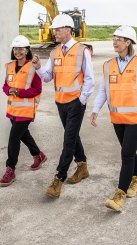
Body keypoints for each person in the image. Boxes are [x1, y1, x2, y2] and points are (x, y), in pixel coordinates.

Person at [90, 25, 137, 211]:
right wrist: (95, 109)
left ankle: (119, 194)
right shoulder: (108, 65)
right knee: (129, 151)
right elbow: (104, 90)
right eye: (114, 38)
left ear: (128, 42)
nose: (115, 42)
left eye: (119, 39)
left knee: (126, 154)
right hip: (117, 118)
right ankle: (136, 178)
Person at [32, 14, 94, 198]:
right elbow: (47, 77)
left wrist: (81, 100)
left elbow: (90, 79)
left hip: (76, 102)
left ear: (68, 30)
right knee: (72, 135)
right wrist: (37, 67)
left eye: (57, 30)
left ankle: (59, 178)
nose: (55, 33)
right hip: (60, 102)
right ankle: (82, 166)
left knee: (68, 140)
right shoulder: (54, 52)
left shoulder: (82, 51)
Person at [0, 35, 47, 187]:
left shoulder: (33, 67)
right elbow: (5, 86)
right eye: (15, 49)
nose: (18, 52)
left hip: (25, 111)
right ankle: (38, 155)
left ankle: (10, 168)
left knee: (13, 138)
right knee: (23, 135)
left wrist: (19, 92)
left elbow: (37, 89)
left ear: (27, 51)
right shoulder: (10, 66)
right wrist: (9, 90)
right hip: (13, 110)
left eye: (21, 49)